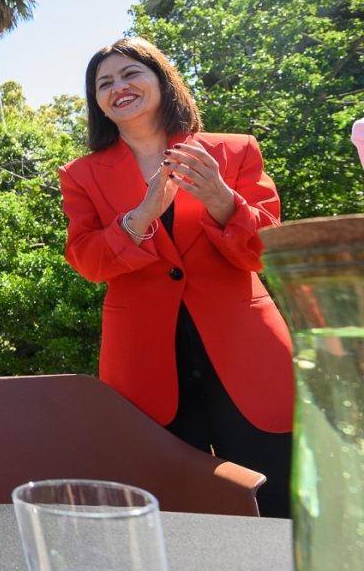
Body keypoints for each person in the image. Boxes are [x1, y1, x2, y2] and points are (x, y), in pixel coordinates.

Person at [59, 37, 293, 518]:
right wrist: (140, 217)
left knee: (277, 503)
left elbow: (267, 253)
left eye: (131, 74)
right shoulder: (81, 175)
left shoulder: (233, 151)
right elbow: (88, 261)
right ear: (97, 102)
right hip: (144, 363)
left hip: (248, 357)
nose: (118, 87)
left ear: (162, 81)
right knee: (172, 511)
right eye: (104, 83)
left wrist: (222, 201)